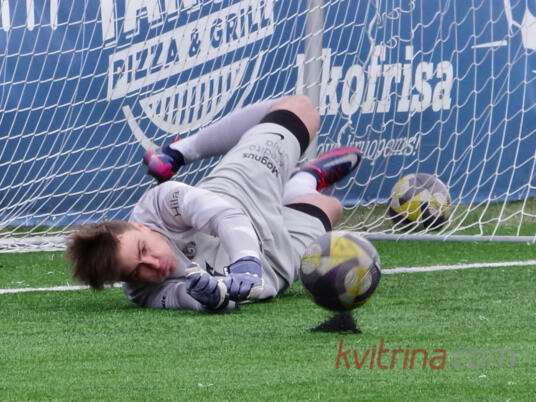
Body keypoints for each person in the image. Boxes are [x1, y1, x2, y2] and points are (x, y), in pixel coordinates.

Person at [65, 95, 361, 312]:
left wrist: (245, 263)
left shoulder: (157, 204)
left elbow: (226, 216)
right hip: (275, 264)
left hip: (242, 195)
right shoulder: (142, 293)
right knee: (330, 208)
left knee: (301, 108)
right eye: (136, 271)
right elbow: (193, 300)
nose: (153, 265)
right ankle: (303, 181)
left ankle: (178, 152)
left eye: (143, 249)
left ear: (139, 227)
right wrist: (213, 299)